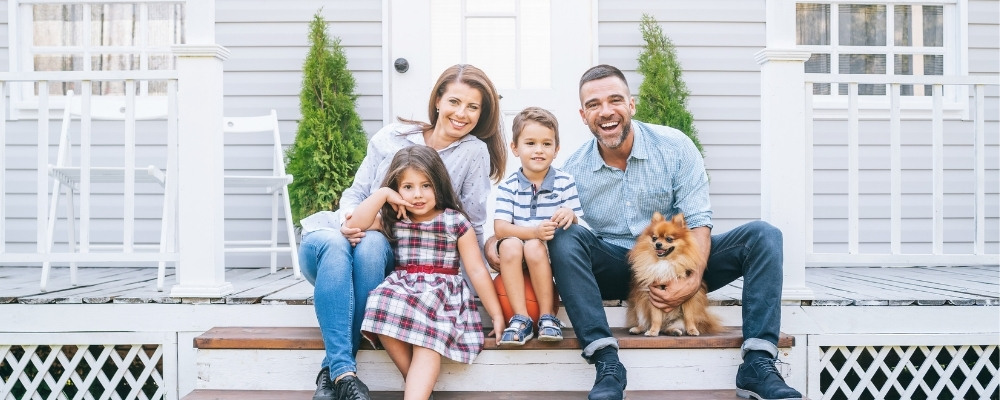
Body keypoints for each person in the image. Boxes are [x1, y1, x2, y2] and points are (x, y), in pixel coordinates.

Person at [487, 64, 804, 400]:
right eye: (594, 105)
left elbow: (698, 221)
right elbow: (537, 218)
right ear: (583, 115)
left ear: (631, 104)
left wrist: (691, 278)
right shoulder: (570, 170)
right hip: (616, 267)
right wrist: (498, 242)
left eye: (615, 100)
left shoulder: (674, 146)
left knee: (764, 236)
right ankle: (606, 361)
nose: (606, 112)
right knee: (568, 233)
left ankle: (757, 363)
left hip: (676, 263)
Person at [298, 64, 505, 400]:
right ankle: (340, 370)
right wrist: (354, 220)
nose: (462, 114)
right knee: (340, 245)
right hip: (338, 232)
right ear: (438, 100)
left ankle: (337, 374)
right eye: (454, 101)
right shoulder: (391, 137)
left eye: (473, 106)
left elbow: (473, 223)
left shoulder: (472, 153)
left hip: (383, 249)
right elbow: (355, 194)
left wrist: (477, 297)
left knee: (371, 247)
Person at [351, 145, 506, 400]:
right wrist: (382, 195)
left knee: (426, 342)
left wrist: (496, 313)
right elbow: (354, 224)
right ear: (397, 189)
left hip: (441, 294)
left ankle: (417, 394)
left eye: (426, 185)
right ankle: (418, 386)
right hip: (404, 290)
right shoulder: (394, 218)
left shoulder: (455, 222)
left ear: (439, 184)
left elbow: (477, 270)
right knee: (379, 304)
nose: (418, 195)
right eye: (407, 187)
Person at [493, 107, 582, 345]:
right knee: (511, 245)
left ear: (556, 149)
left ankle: (547, 317)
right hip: (519, 253)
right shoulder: (508, 186)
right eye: (530, 143)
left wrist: (568, 212)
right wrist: (532, 232)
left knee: (534, 247)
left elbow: (575, 219)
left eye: (546, 144)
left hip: (549, 254)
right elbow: (500, 228)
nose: (539, 150)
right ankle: (520, 318)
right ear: (515, 148)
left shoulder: (565, 181)